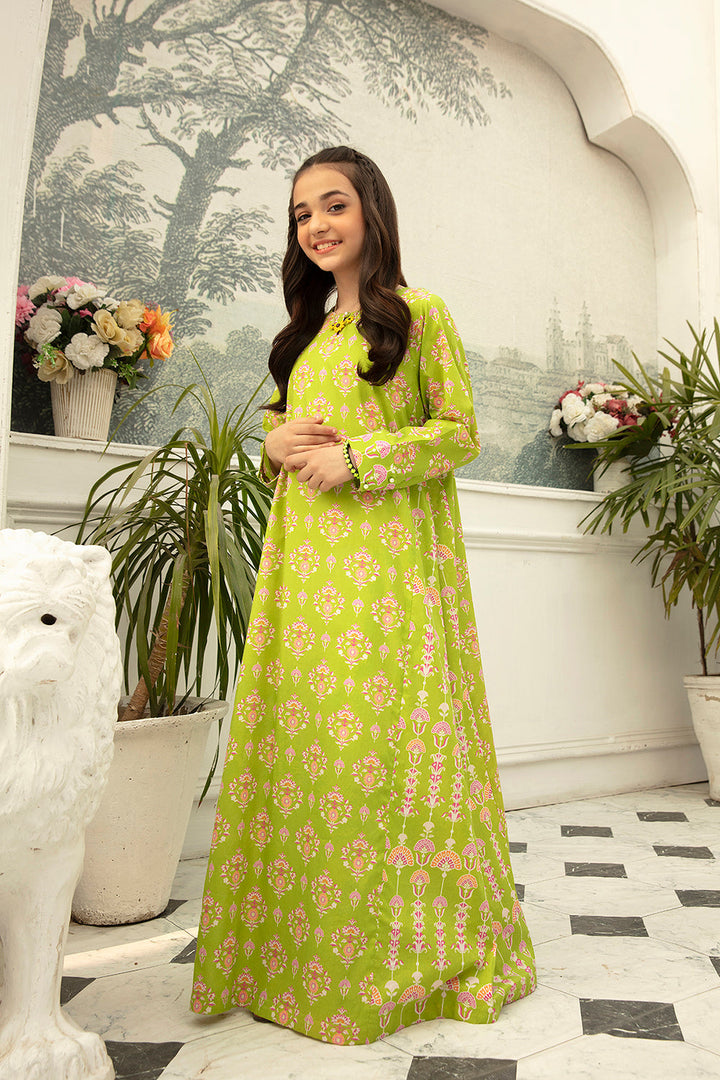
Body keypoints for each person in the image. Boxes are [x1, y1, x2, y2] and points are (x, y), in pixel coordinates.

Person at [191, 146, 536, 1044]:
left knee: (384, 756)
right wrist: (273, 444)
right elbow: (286, 432)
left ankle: (394, 960)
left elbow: (458, 432)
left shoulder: (419, 315)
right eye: (302, 213)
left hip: (386, 575)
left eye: (334, 204)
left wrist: (360, 458)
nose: (317, 225)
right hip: (303, 573)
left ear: (372, 211)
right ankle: (292, 957)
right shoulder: (304, 334)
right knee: (310, 751)